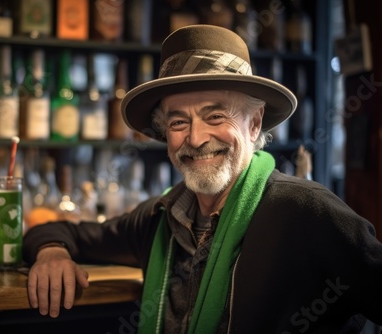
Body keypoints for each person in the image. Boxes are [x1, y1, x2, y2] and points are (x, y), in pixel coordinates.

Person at [23, 25, 382, 333]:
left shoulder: (304, 211)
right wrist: (52, 253)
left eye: (215, 116)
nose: (195, 139)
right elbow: (60, 231)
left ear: (254, 123)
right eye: (179, 122)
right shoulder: (161, 217)